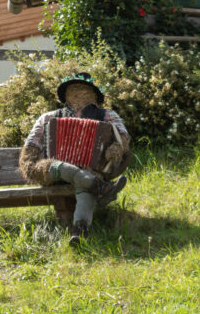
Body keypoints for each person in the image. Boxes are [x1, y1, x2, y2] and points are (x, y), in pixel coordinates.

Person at [19, 72, 131, 243]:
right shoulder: (49, 117)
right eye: (74, 89)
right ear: (66, 94)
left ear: (94, 94)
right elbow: (31, 144)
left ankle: (80, 232)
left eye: (85, 89)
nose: (79, 93)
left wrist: (116, 148)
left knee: (84, 183)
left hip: (90, 169)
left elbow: (123, 137)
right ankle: (101, 187)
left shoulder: (107, 115)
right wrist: (29, 163)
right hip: (54, 172)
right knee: (62, 167)